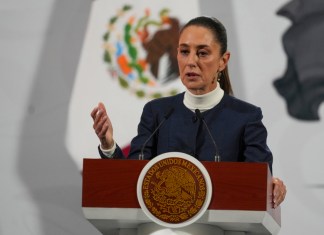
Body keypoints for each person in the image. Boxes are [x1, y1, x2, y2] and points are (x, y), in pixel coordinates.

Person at [91, 16, 286, 208]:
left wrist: (269, 185)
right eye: (184, 51)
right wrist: (108, 146)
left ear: (223, 61)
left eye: (202, 53)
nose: (191, 61)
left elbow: (256, 183)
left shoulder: (246, 117)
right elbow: (132, 179)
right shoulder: (157, 112)